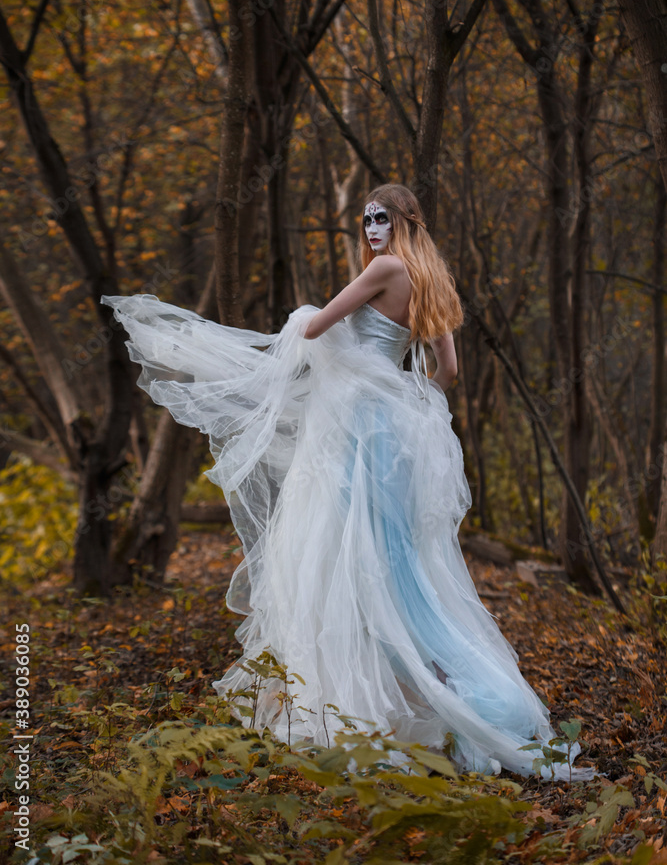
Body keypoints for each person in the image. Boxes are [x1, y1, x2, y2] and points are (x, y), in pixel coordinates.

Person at [102, 183, 597, 781]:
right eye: (365, 219)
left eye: (380, 218)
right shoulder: (433, 278)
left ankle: (391, 703)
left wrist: (308, 321)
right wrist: (399, 393)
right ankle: (449, 692)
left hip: (361, 426)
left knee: (359, 553)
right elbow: (449, 371)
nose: (370, 228)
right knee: (394, 562)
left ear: (402, 221)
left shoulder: (386, 269)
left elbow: (315, 330)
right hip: (394, 429)